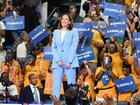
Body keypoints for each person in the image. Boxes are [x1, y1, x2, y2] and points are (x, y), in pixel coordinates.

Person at [52, 13, 79, 98]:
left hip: (69, 63)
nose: (63, 20)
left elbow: (74, 47)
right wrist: (57, 60)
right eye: (62, 19)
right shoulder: (56, 32)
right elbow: (53, 48)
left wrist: (69, 61)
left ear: (70, 22)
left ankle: (72, 102)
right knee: (56, 86)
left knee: (71, 86)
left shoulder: (74, 32)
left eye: (66, 19)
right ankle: (55, 102)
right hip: (57, 62)